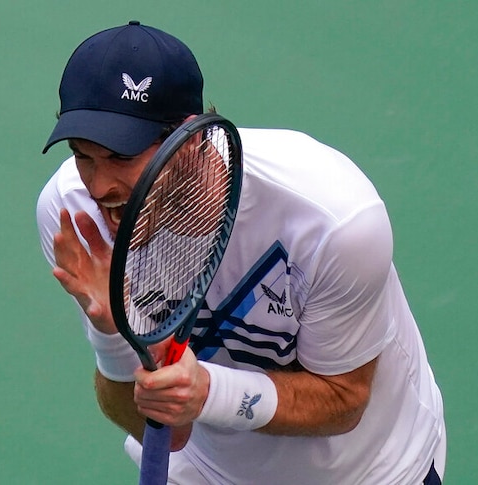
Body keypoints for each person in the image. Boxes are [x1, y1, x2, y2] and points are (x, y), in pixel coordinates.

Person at [36, 21, 446, 484]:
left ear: (190, 141)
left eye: (121, 158)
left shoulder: (333, 221)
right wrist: (112, 335)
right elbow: (166, 435)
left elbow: (344, 400)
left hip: (371, 472)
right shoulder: (75, 219)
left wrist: (206, 392)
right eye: (82, 156)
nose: (97, 186)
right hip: (206, 473)